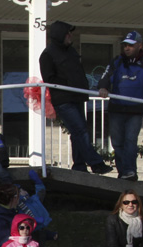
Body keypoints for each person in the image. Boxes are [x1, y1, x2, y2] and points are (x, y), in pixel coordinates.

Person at [39, 20, 114, 175]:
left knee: (77, 132)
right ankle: (96, 163)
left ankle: (79, 165)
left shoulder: (71, 51)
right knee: (81, 129)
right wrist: (69, 84)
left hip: (78, 97)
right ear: (60, 35)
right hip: (63, 100)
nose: (70, 36)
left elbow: (78, 72)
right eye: (67, 33)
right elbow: (49, 79)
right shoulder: (47, 55)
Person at [97, 31, 143, 182]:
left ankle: (130, 171)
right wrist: (103, 87)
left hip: (136, 109)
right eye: (125, 45)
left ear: (139, 45)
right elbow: (105, 75)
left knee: (130, 141)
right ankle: (123, 173)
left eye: (130, 45)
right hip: (116, 108)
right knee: (117, 142)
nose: (127, 48)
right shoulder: (117, 61)